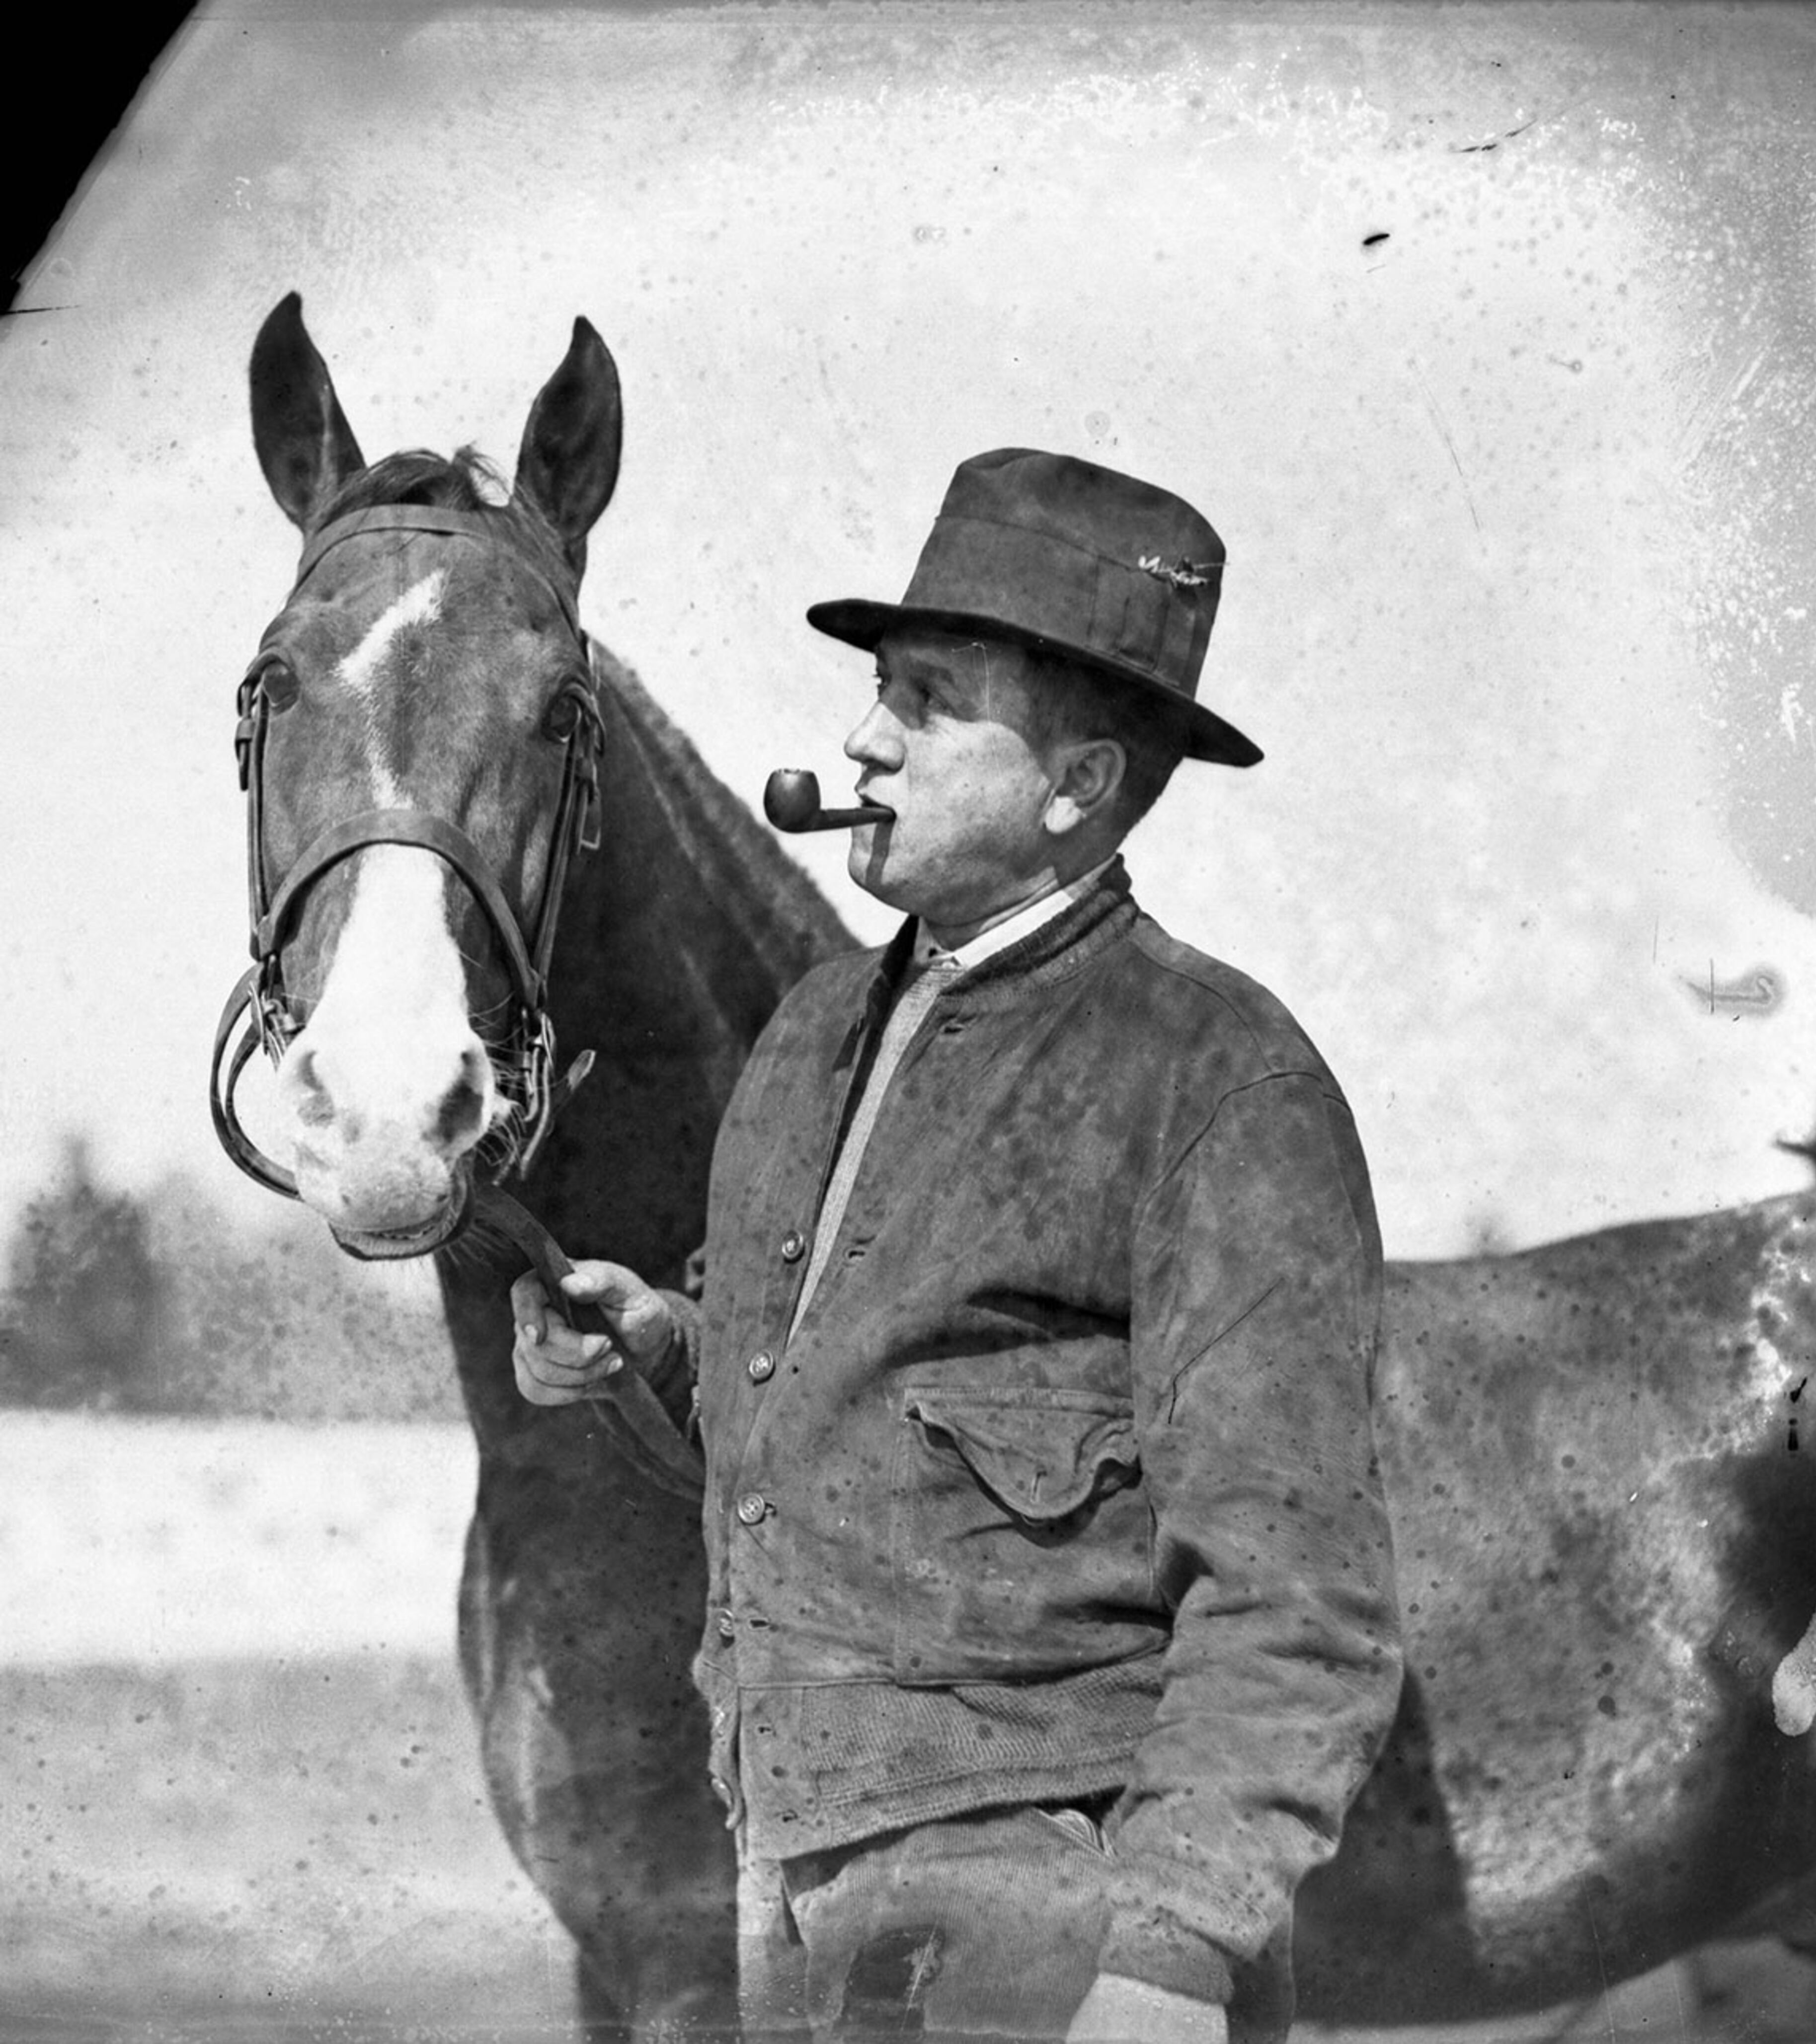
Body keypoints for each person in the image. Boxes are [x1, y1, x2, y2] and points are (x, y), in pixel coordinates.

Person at [512, 448, 1401, 2044]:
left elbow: (1300, 1602)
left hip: (1056, 1926)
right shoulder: (808, 1039)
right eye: (876, 689)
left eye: (926, 698)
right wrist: (661, 1344)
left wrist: (1174, 1952)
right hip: (793, 1873)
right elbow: (826, 1413)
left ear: (1077, 785)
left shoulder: (1221, 1083)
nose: (863, 737)